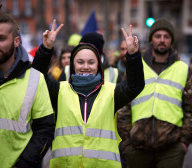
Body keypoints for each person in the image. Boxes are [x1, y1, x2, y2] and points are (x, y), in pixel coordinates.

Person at [32, 19, 144, 168]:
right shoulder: (59, 91)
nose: (85, 67)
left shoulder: (111, 92)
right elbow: (37, 78)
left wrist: (133, 55)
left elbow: (135, 85)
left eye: (91, 62)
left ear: (98, 65)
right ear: (72, 65)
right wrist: (46, 49)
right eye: (80, 62)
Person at [0, 7, 54, 168]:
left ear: (16, 41)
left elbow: (45, 129)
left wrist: (24, 164)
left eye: (1, 38)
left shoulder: (35, 79)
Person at [122, 18, 192, 168]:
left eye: (166, 37)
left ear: (172, 40)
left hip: (171, 149)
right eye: (158, 36)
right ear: (151, 39)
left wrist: (183, 143)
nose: (162, 40)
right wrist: (127, 143)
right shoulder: (136, 66)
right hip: (137, 148)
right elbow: (123, 105)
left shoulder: (183, 69)